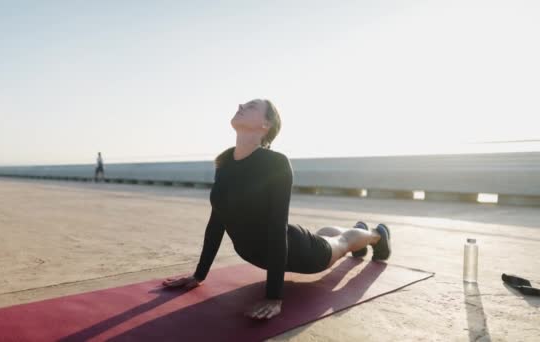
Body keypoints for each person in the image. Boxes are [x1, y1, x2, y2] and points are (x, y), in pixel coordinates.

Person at [162, 99, 391, 320]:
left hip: (302, 253)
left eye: (251, 106)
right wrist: (199, 275)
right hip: (266, 251)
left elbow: (277, 228)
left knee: (342, 242)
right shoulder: (225, 162)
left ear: (265, 125)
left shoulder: (276, 163)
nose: (240, 106)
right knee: (327, 233)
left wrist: (274, 297)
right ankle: (358, 229)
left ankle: (377, 235)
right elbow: (217, 221)